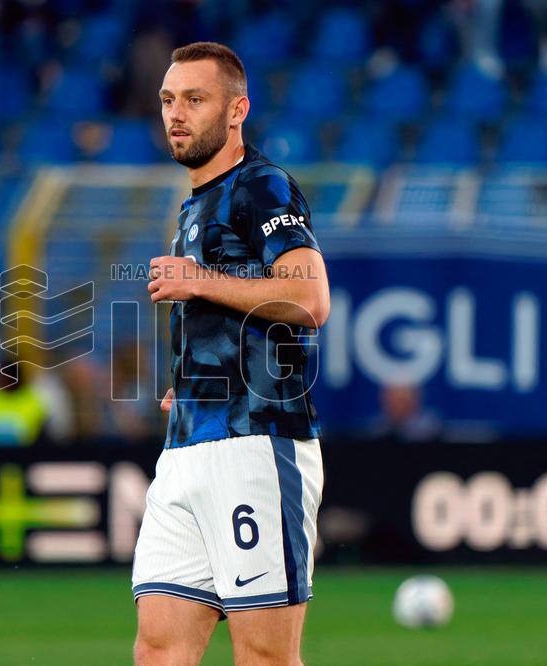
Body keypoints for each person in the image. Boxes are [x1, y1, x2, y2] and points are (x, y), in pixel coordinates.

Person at [133, 42, 330, 665]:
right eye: (168, 100)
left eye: (195, 99)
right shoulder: (195, 206)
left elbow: (310, 298)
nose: (177, 113)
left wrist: (197, 281)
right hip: (188, 445)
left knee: (265, 655)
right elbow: (232, 320)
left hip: (256, 444)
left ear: (237, 109)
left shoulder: (261, 186)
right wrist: (192, 378)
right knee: (159, 646)